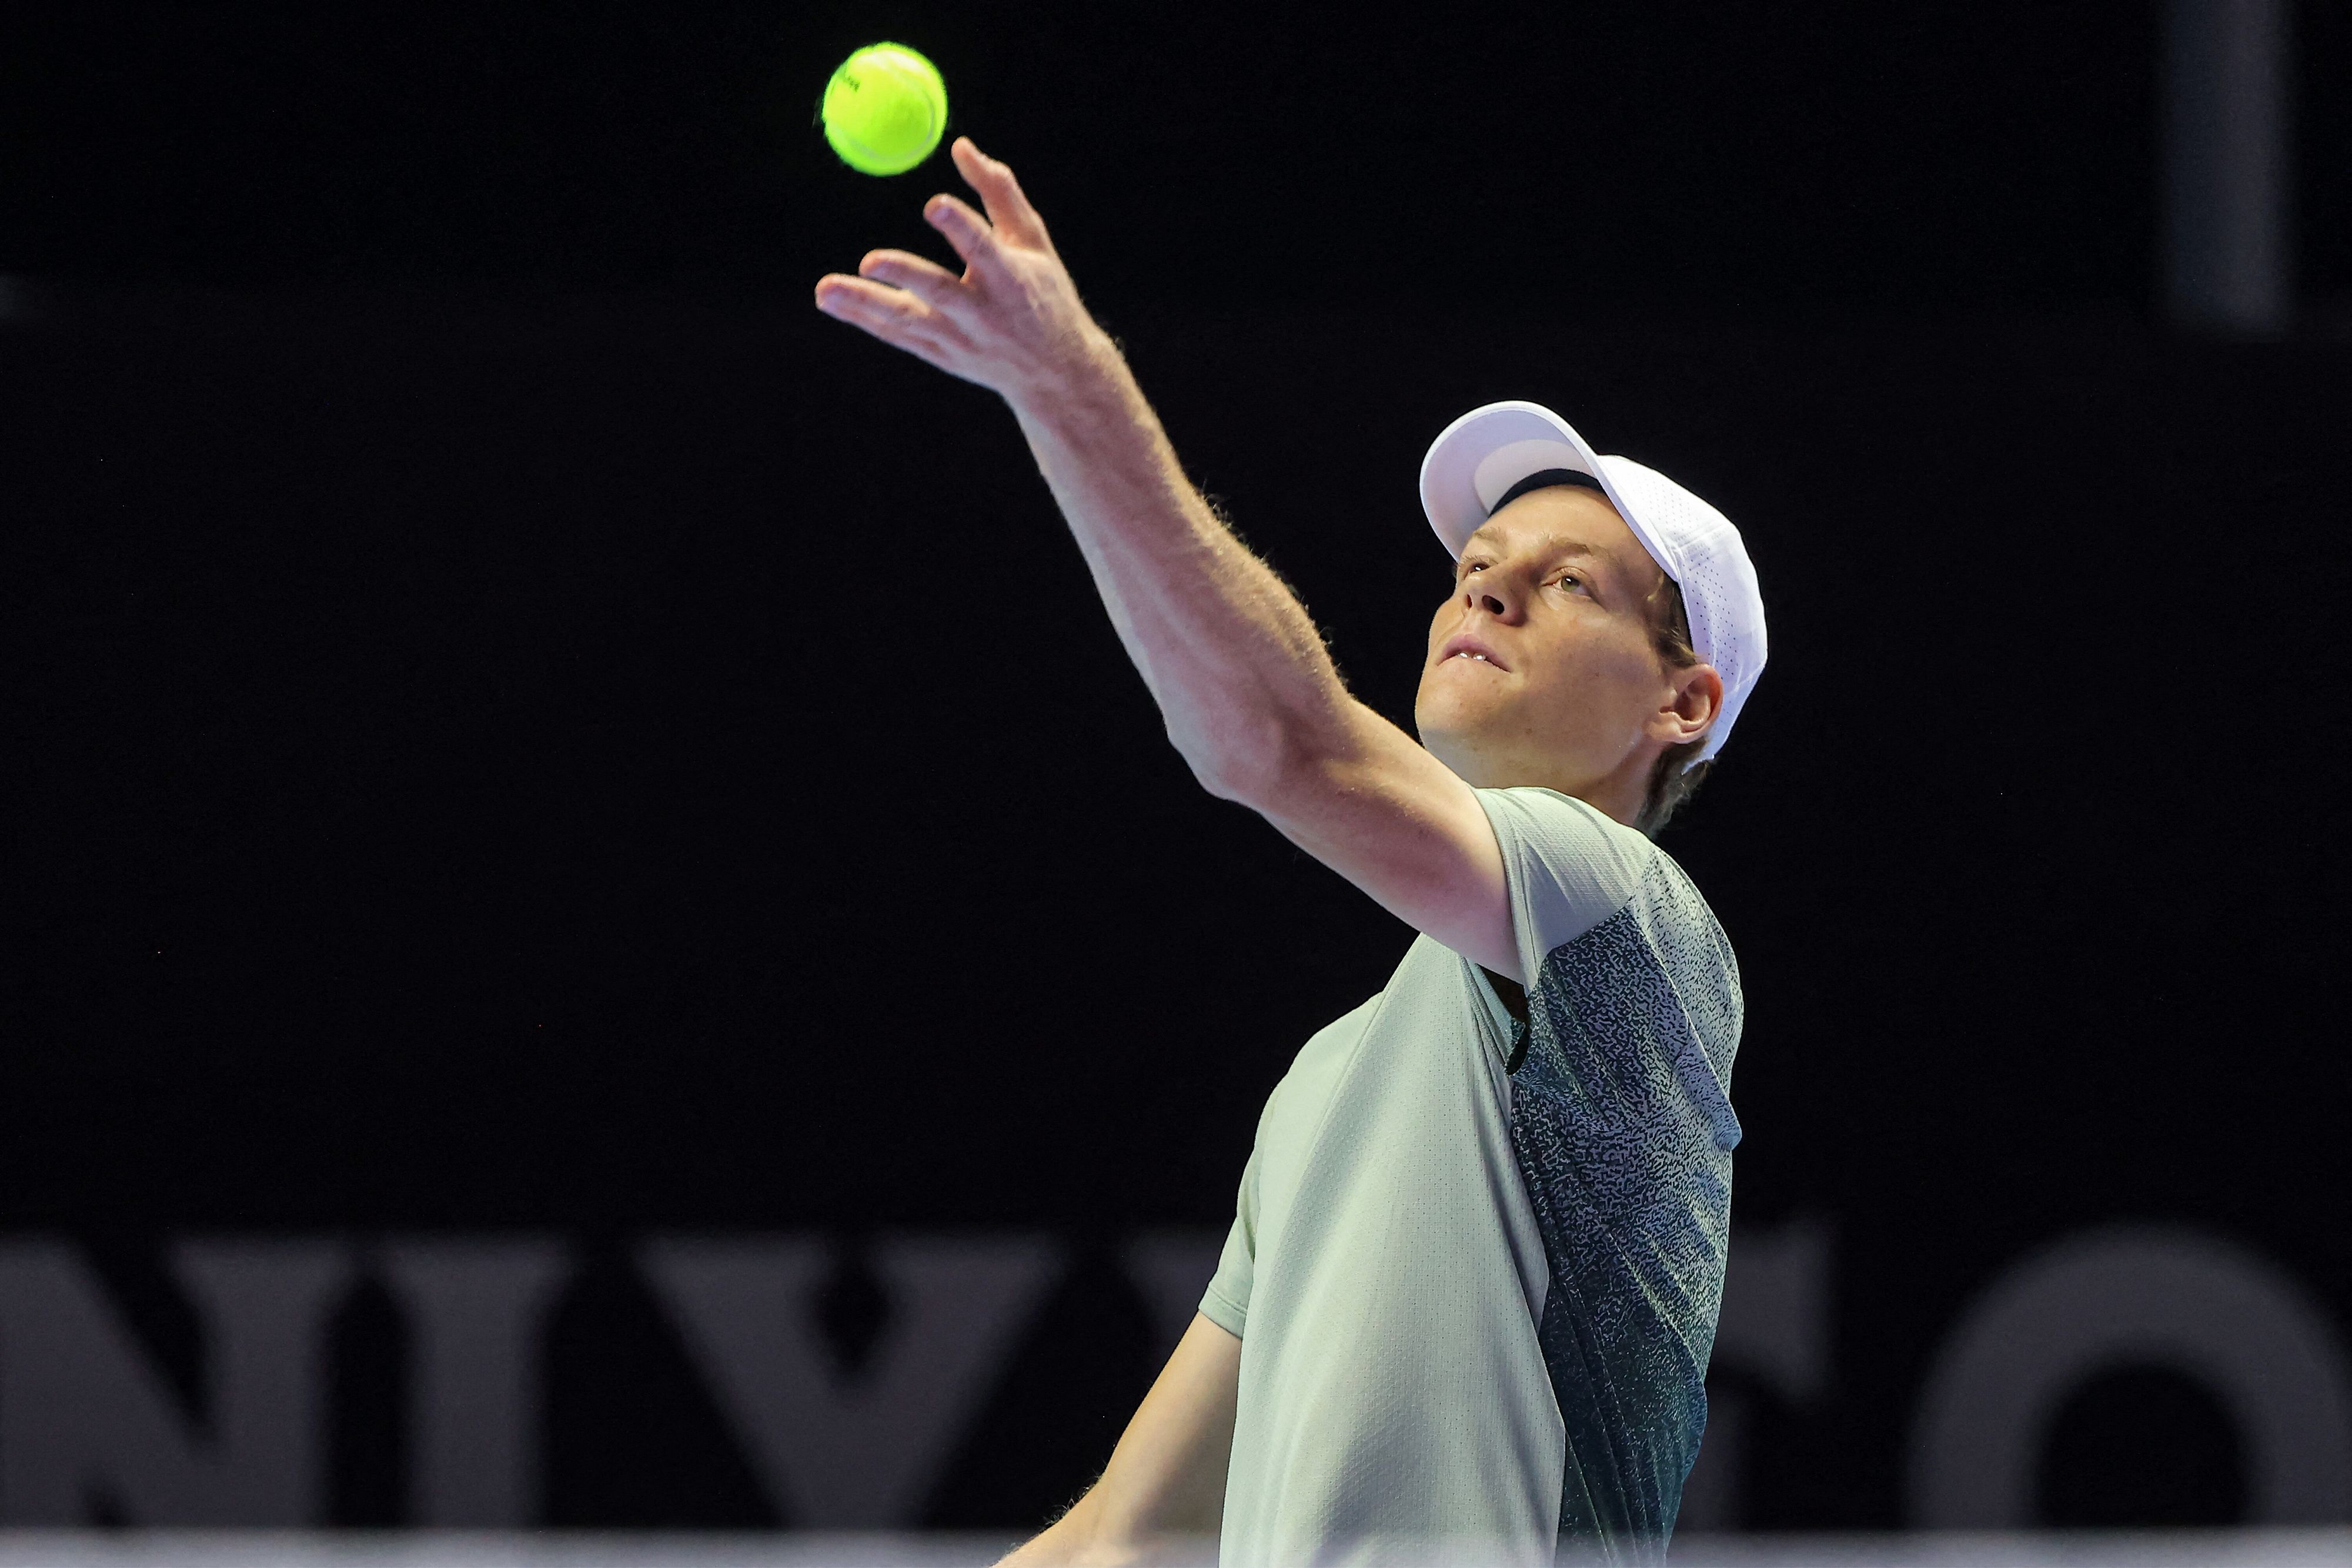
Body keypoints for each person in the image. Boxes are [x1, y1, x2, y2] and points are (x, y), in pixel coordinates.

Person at [814, 138, 1766, 1568]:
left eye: (1567, 581)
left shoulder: (1627, 914)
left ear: (1679, 703)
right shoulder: (1328, 1078)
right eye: (1474, 566)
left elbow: (1274, 742)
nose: (1487, 587)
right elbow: (1125, 1535)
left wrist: (1069, 388)